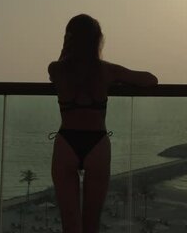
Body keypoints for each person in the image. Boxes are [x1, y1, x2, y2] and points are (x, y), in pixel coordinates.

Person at [48, 14, 158, 233]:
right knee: (91, 224)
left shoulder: (57, 70)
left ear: (69, 39)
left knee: (70, 224)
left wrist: (66, 48)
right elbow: (150, 80)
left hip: (66, 142)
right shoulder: (107, 71)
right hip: (97, 143)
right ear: (97, 40)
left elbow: (58, 69)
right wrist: (117, 80)